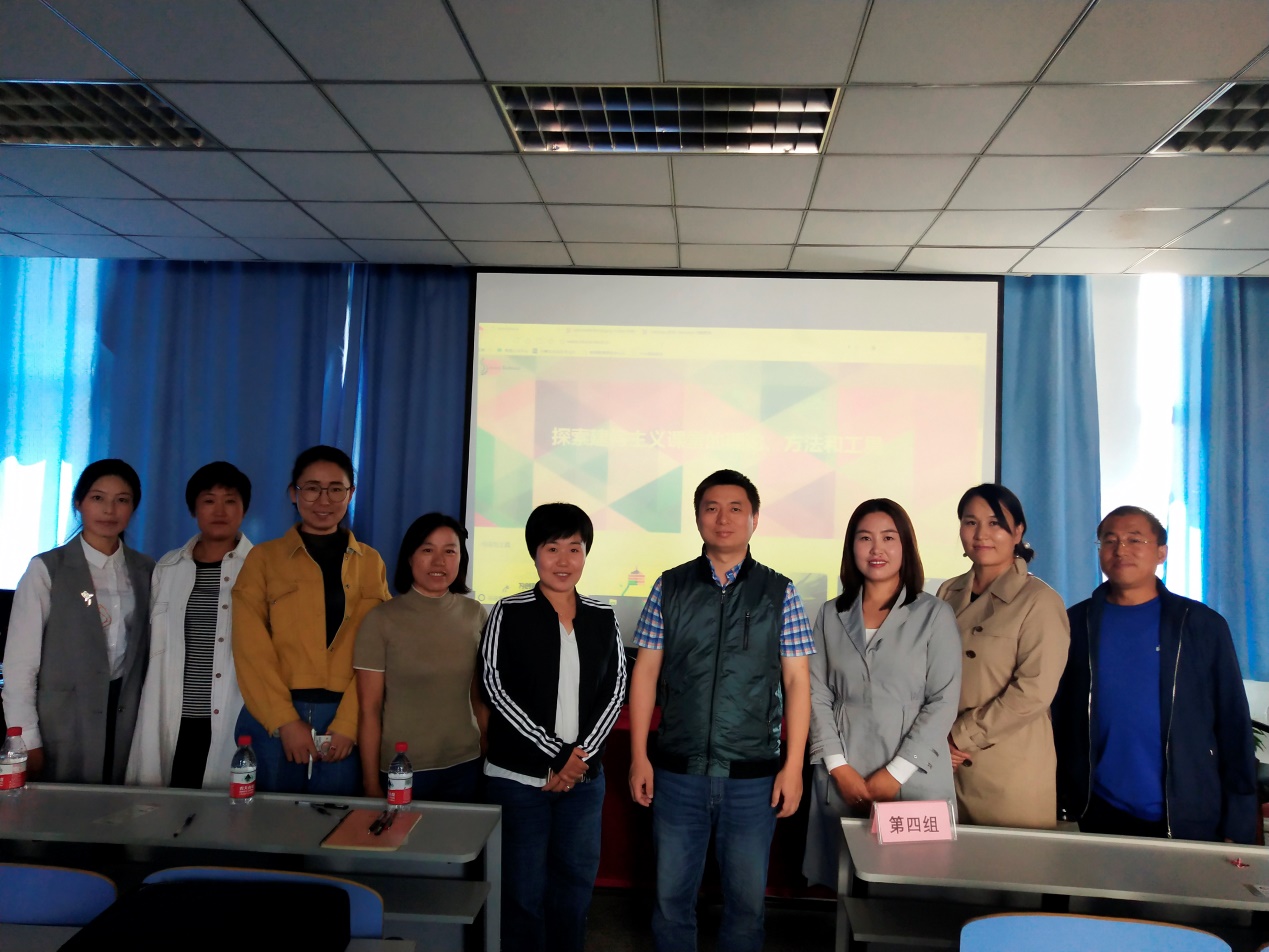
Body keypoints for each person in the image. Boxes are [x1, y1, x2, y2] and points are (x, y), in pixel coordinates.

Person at [628, 469, 813, 952]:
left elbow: (797, 682)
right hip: (677, 773)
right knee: (671, 901)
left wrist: (793, 766)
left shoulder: (780, 591)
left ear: (755, 519)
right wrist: (639, 756)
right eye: (711, 508)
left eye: (736, 508)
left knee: (746, 908)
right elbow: (645, 673)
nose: (723, 518)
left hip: (753, 778)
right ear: (697, 517)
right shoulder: (669, 587)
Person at [1054, 506, 1257, 843]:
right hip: (1098, 807)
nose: (1120, 550)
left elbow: (1232, 722)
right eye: (1109, 541)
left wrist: (1239, 819)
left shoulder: (1201, 625)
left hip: (1187, 810)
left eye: (1135, 540)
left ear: (1161, 552)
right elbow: (1058, 716)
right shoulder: (1074, 623)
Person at [478, 503, 626, 952]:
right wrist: (558, 755)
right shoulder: (509, 611)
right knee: (522, 894)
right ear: (535, 553)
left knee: (574, 889)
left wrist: (578, 760)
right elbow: (494, 686)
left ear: (586, 554)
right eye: (552, 548)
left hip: (583, 783)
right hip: (518, 782)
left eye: (574, 549)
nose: (564, 560)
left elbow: (616, 690)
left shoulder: (602, 615)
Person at [803, 498, 962, 888]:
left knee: (912, 890)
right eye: (865, 538)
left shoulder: (934, 614)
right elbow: (816, 693)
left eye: (889, 538)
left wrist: (895, 774)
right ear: (851, 547)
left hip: (913, 775)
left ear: (905, 545)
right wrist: (838, 768)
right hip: (845, 773)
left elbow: (943, 700)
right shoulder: (830, 614)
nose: (877, 549)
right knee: (849, 886)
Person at [232, 445, 389, 796]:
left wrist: (349, 722)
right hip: (273, 718)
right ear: (294, 492)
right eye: (312, 488)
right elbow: (250, 648)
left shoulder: (370, 563)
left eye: (336, 489)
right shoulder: (263, 559)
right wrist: (284, 720)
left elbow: (379, 652)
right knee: (266, 824)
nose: (324, 500)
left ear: (351, 493)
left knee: (335, 825)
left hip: (343, 724)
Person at [2, 459, 154, 784]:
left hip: (127, 718)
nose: (109, 510)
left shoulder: (148, 571)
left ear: (133, 508)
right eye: (98, 498)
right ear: (78, 502)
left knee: (120, 806)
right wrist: (26, 738)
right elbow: (19, 666)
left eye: (122, 500)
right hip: (62, 719)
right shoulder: (47, 569)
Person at [936, 483, 1069, 829]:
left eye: (995, 523)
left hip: (1007, 771)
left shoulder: (1039, 600)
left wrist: (959, 737)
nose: (981, 534)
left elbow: (1033, 692)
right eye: (970, 522)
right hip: (944, 766)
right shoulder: (948, 592)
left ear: (1018, 531)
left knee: (1007, 862)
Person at [127, 462, 253, 789]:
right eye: (209, 500)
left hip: (232, 715)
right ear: (194, 509)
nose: (219, 511)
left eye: (230, 501)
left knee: (226, 808)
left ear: (244, 509)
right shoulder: (167, 568)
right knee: (164, 806)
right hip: (172, 714)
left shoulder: (261, 569)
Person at [354, 512, 488, 802]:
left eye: (449, 551)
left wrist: (487, 758)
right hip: (402, 768)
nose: (439, 562)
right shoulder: (381, 619)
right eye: (428, 550)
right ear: (409, 557)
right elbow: (369, 710)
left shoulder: (475, 614)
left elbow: (479, 698)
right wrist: (370, 783)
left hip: (466, 764)